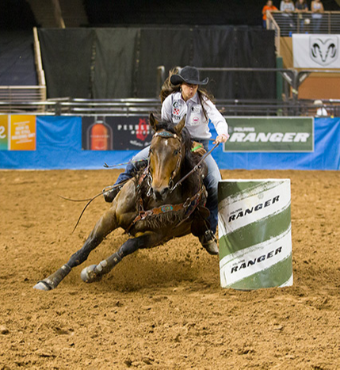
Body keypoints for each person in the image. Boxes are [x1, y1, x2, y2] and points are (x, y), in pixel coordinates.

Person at [104, 66, 229, 254]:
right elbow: (164, 127)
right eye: (189, 85)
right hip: (172, 144)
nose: (192, 88)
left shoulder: (203, 102)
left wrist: (222, 133)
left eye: (194, 85)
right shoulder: (171, 101)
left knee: (215, 184)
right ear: (181, 85)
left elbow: (218, 119)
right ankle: (116, 187)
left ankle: (208, 233)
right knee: (135, 161)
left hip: (198, 147)